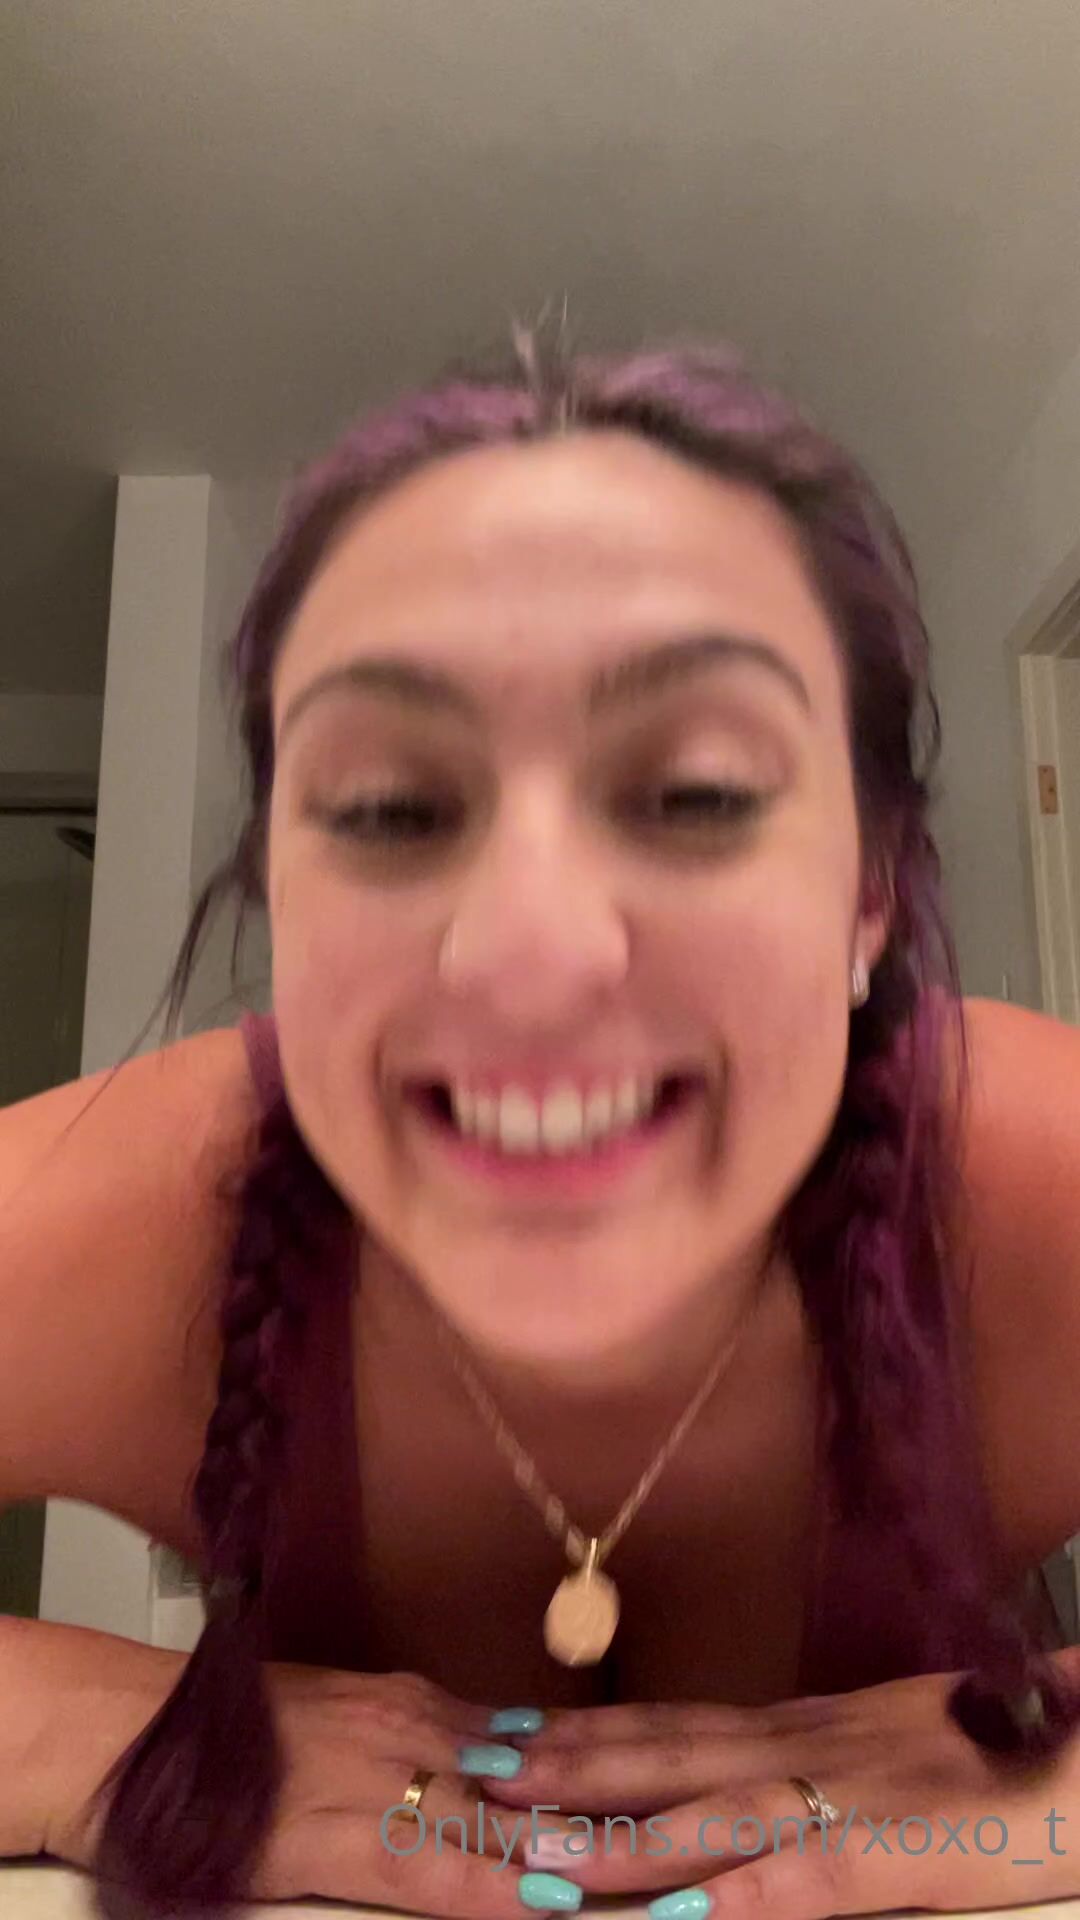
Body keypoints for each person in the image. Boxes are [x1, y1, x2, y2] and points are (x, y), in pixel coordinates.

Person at [2, 328, 1079, 1920]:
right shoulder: (153, 1212)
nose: (530, 953)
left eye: (698, 792)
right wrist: (88, 1729)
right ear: (281, 895)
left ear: (867, 894)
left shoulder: (1027, 1183)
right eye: (390, 809)